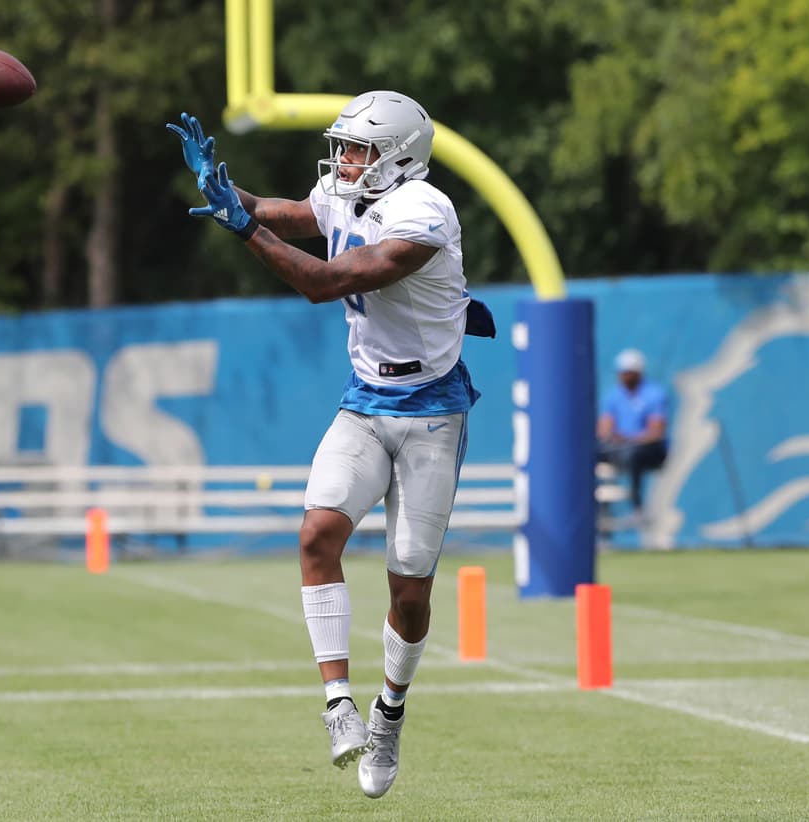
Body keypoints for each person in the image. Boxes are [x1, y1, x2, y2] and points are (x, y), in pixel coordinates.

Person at [169, 91, 493, 800]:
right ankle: (339, 705)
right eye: (342, 147)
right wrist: (231, 193)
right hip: (366, 401)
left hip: (433, 411)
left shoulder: (423, 212)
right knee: (318, 532)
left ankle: (389, 714)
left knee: (409, 588)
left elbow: (325, 280)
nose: (344, 160)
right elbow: (299, 214)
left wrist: (241, 229)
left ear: (400, 156)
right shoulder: (351, 188)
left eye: (358, 150)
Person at [597, 347, 669, 513]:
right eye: (621, 372)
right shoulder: (613, 395)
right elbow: (604, 427)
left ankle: (637, 505)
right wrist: (610, 436)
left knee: (633, 454)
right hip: (621, 448)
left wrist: (628, 439)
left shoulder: (654, 394)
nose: (624, 377)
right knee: (593, 453)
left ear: (638, 373)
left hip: (649, 450)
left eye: (628, 373)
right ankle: (600, 509)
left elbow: (656, 432)